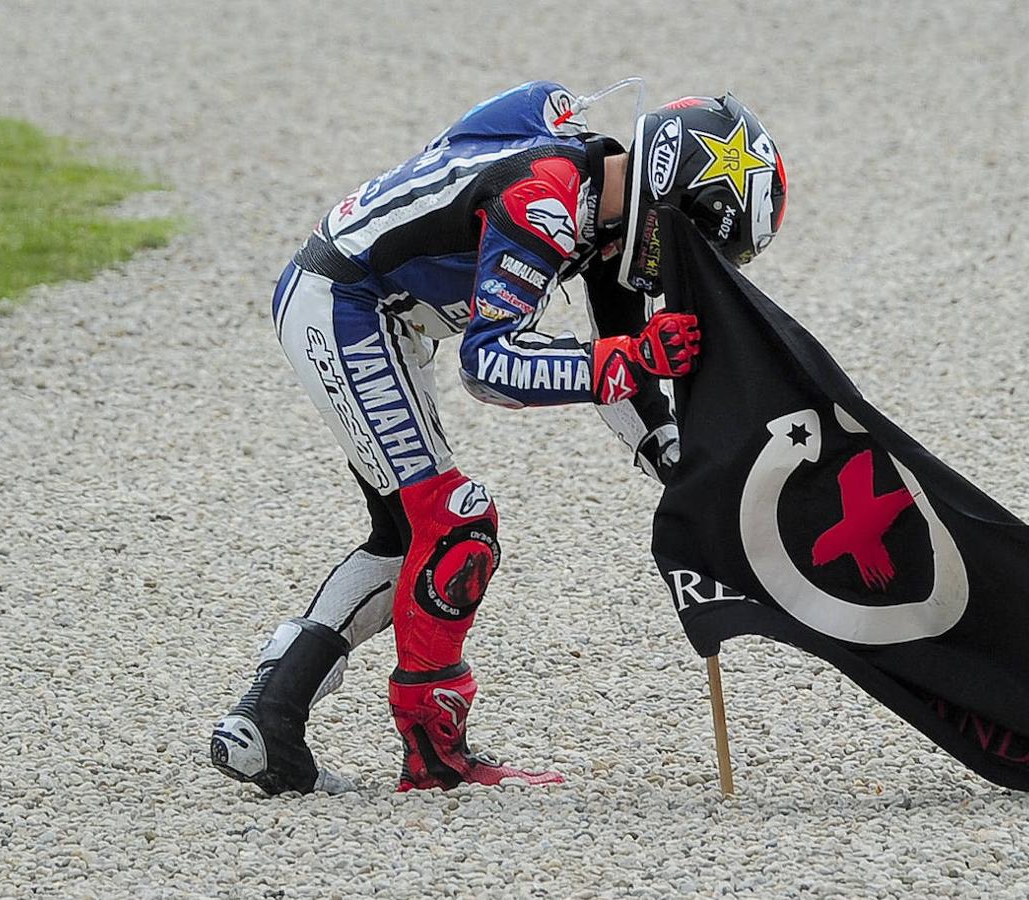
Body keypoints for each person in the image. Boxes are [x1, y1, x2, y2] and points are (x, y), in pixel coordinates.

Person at [209, 80, 788, 795]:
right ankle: (433, 757)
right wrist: (632, 359)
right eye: (702, 242)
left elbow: (618, 364)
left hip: (385, 310)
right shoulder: (544, 203)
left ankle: (269, 717)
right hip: (348, 307)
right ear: (672, 196)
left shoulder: (608, 211)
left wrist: (682, 465)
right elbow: (490, 365)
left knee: (405, 537)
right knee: (456, 525)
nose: (693, 267)